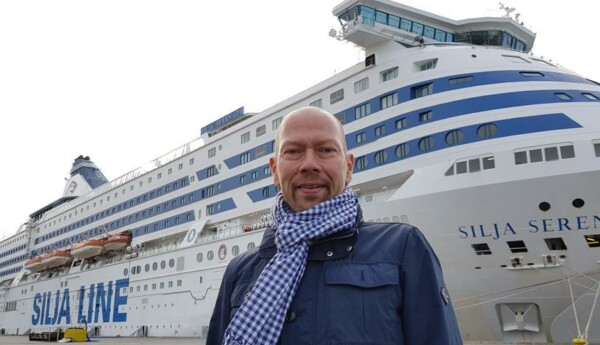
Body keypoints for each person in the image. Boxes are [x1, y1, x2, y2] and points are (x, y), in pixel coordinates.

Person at [207, 107, 462, 344]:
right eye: (293, 151)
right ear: (274, 170)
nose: (309, 164)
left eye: (326, 150)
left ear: (348, 166)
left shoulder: (403, 247)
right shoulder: (240, 270)